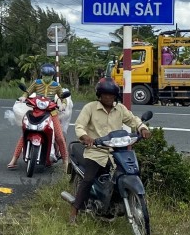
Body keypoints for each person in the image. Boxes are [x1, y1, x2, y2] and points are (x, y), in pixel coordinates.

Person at [64, 77, 150, 223]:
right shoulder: (90, 108)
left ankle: (122, 201)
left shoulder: (120, 109)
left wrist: (142, 128)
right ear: (100, 95)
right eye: (105, 94)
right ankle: (74, 211)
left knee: (132, 170)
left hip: (117, 152)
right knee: (89, 179)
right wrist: (85, 137)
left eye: (111, 95)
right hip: (96, 151)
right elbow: (79, 125)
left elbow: (133, 120)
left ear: (115, 96)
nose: (108, 97)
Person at [6, 64, 68, 170]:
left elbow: (63, 98)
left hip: (51, 112)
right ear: (42, 75)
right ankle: (14, 159)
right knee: (25, 133)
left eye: (49, 75)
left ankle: (66, 162)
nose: (47, 78)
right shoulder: (37, 83)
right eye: (45, 75)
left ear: (52, 76)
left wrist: (63, 104)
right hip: (36, 111)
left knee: (59, 137)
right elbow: (27, 92)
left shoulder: (56, 85)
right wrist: (23, 97)